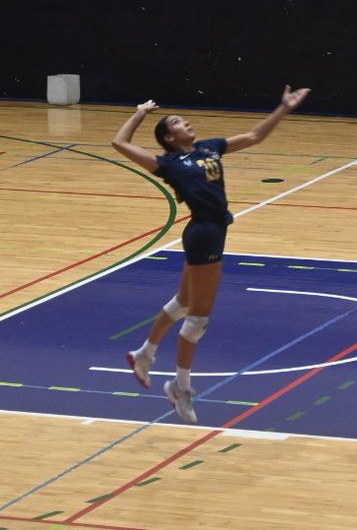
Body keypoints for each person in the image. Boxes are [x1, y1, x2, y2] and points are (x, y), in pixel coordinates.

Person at [111, 85, 311, 423]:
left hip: (213, 230)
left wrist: (284, 108)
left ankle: (145, 354)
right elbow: (119, 144)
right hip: (204, 234)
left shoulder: (210, 147)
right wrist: (141, 113)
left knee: (184, 303)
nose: (186, 122)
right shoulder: (168, 164)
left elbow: (254, 136)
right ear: (169, 137)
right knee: (198, 320)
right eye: (177, 122)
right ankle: (180, 387)